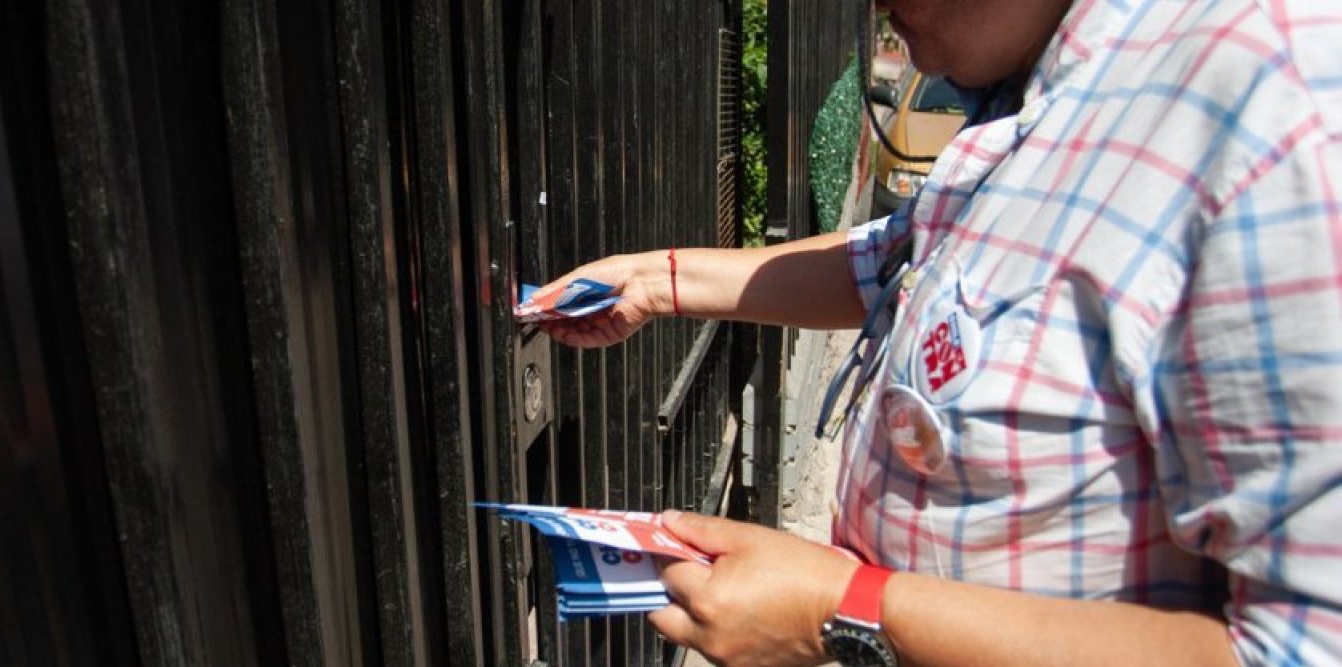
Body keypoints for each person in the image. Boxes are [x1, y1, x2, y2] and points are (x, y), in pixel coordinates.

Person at [537, 0, 1342, 664]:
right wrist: (657, 281)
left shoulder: (1272, 103)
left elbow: (1300, 647)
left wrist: (840, 610)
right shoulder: (1040, 77)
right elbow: (903, 256)